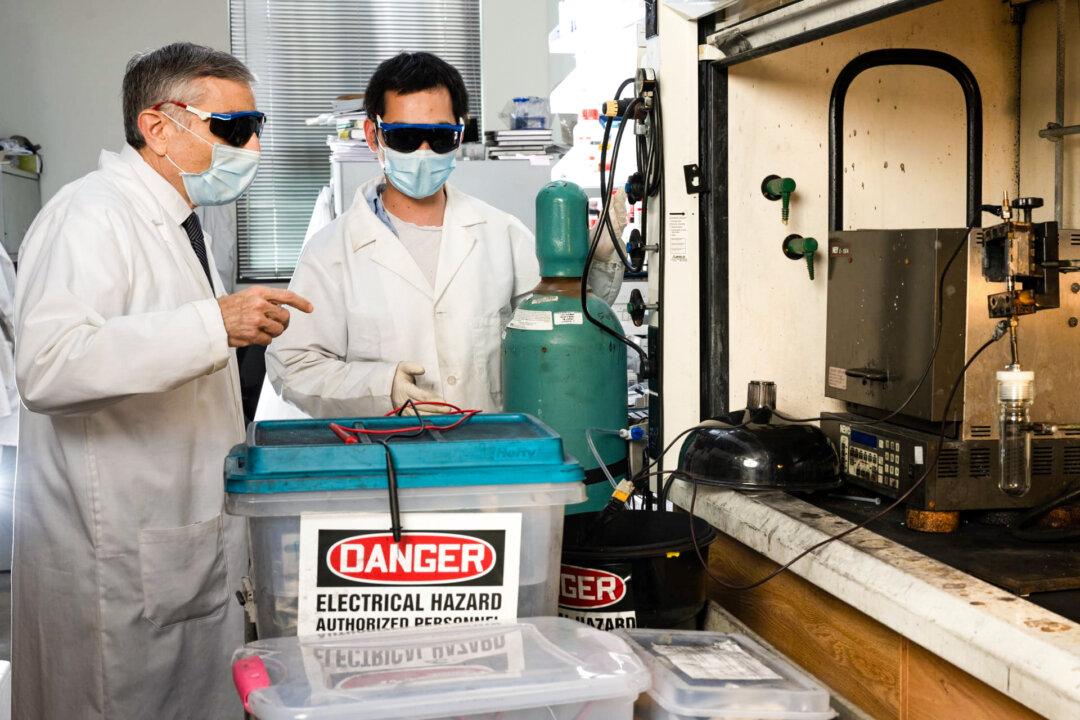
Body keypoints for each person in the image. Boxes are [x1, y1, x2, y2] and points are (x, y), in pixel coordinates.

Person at [12, 42, 312, 719]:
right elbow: (49, 364)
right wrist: (213, 325)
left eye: (255, 126)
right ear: (158, 126)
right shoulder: (88, 216)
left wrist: (221, 326)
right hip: (119, 561)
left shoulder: (177, 223)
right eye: (233, 129)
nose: (253, 146)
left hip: (179, 549)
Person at [265, 52, 624, 418]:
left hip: (491, 455)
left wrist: (597, 258)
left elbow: (563, 322)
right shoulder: (330, 253)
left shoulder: (501, 234)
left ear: (460, 132)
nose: (423, 152)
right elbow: (293, 367)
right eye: (405, 137)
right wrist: (380, 386)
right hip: (388, 461)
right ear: (374, 136)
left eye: (439, 137)